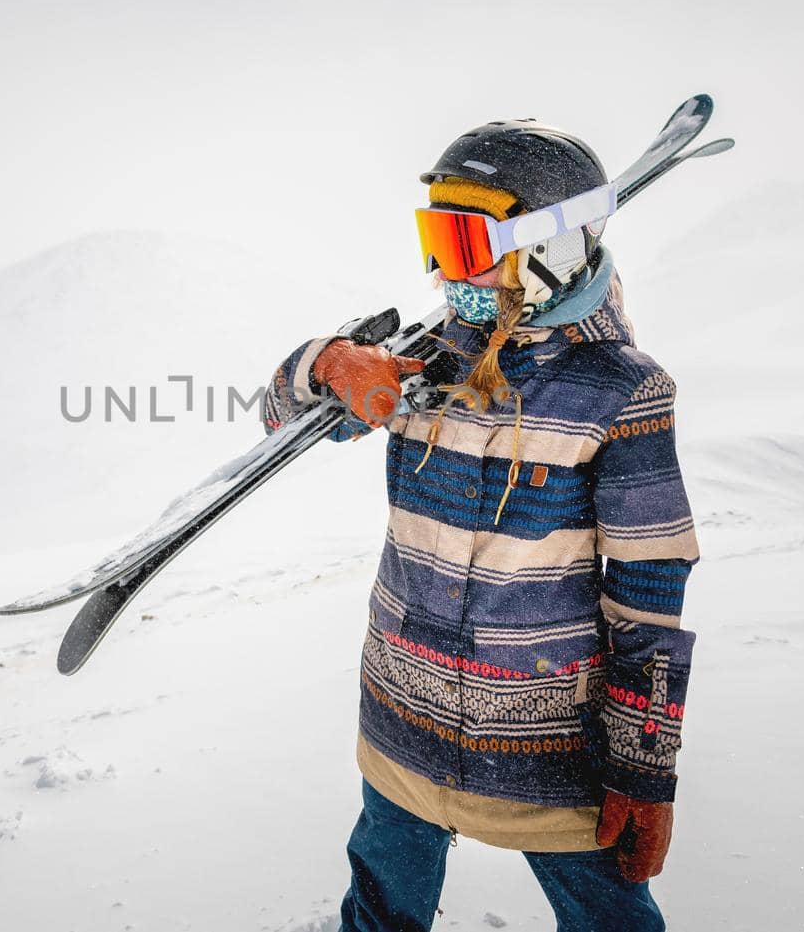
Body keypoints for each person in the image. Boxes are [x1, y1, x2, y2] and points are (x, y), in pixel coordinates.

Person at [263, 121, 700, 931]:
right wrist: (330, 362)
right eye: (435, 237)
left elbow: (649, 597)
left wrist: (643, 769)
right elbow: (280, 415)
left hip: (546, 755)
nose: (442, 270)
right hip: (402, 724)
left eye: (464, 241)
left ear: (549, 248)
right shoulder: (427, 359)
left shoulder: (620, 391)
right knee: (380, 910)